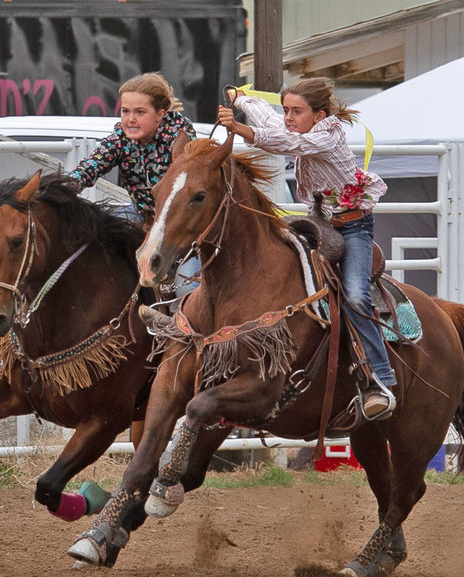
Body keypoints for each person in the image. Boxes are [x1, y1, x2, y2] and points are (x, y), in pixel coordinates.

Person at [218, 77, 394, 419]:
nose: (288, 117)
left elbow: (284, 142)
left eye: (297, 111)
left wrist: (240, 129)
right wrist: (243, 100)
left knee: (356, 294)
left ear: (319, 114)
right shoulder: (300, 127)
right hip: (319, 220)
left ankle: (380, 379)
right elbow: (273, 123)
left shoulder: (327, 135)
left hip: (354, 226)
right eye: (286, 109)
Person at [66, 72, 198, 295]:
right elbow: (93, 165)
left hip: (179, 223)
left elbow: (190, 182)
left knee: (187, 288)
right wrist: (67, 186)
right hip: (140, 214)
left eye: (140, 112)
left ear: (160, 115)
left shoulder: (180, 139)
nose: (130, 119)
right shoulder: (121, 139)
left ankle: (184, 326)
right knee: (93, 236)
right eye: (125, 111)